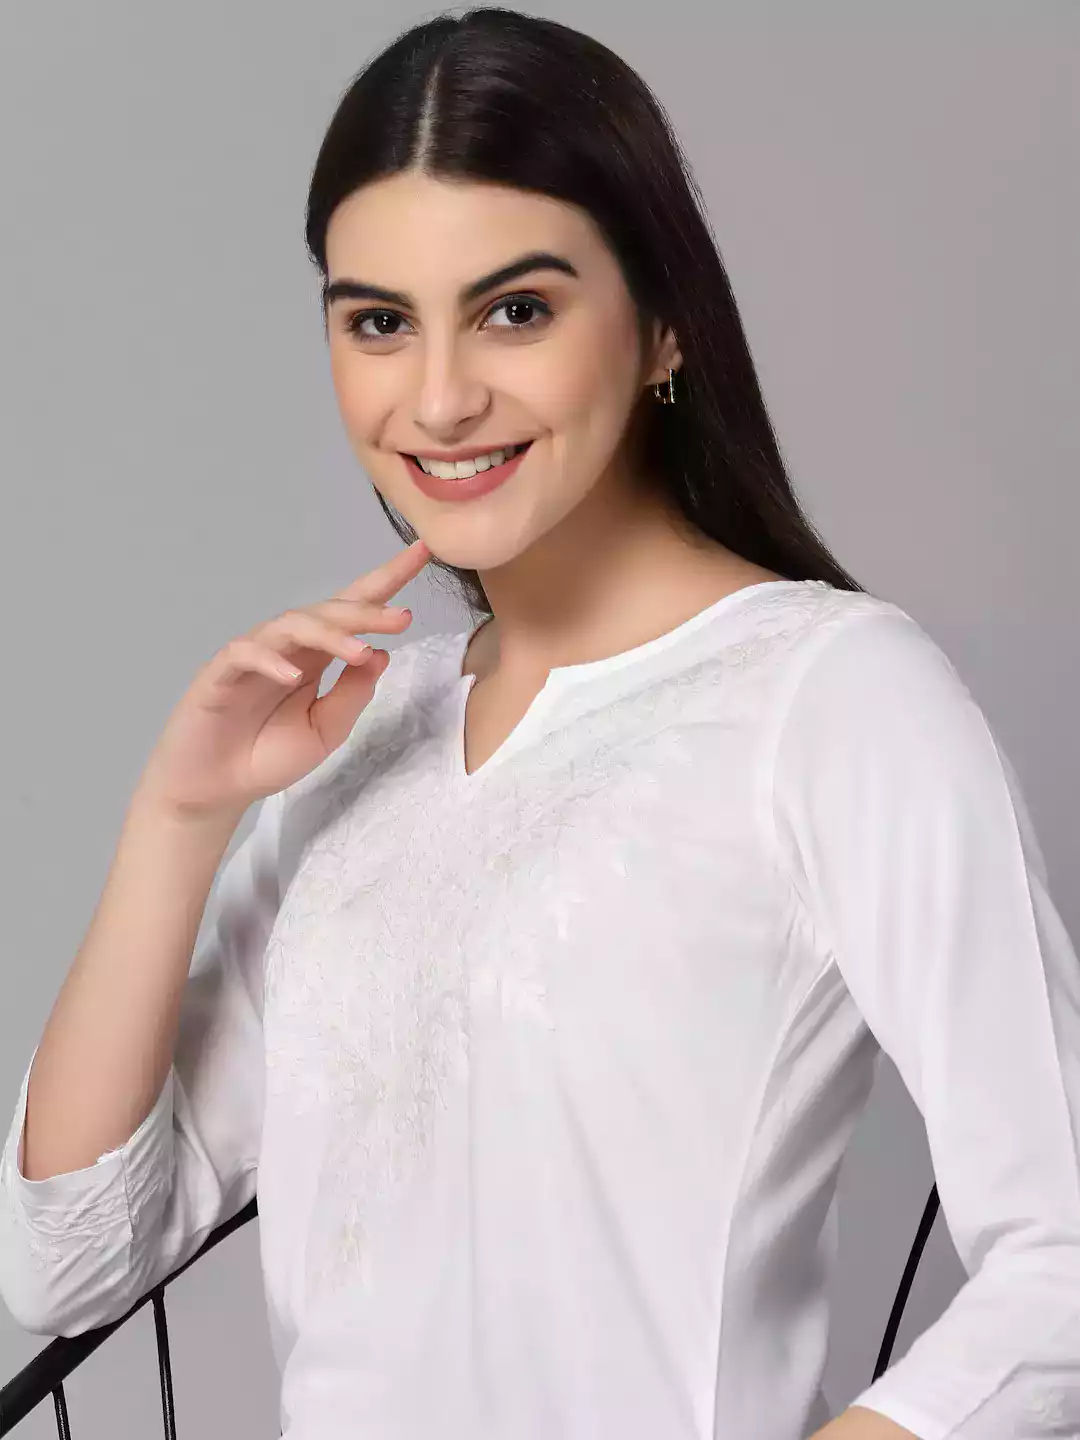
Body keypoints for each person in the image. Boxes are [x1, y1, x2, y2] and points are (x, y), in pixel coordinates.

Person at [2, 8, 1078, 1440]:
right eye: (380, 322)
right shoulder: (363, 728)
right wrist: (179, 818)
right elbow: (71, 1267)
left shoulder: (830, 696)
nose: (442, 398)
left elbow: (1064, 1266)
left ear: (663, 324)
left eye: (516, 310)